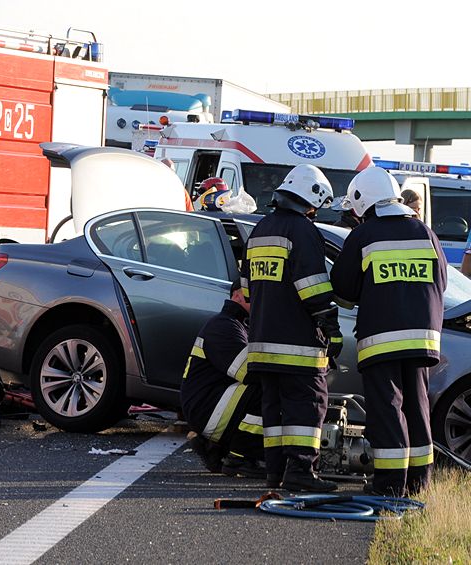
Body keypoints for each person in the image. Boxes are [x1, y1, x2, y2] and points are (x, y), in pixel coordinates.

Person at [331, 167, 448, 497]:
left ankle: (390, 487)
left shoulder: (364, 235)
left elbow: (342, 288)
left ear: (363, 202)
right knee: (417, 407)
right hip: (423, 340)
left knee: (387, 410)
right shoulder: (425, 232)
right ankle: (418, 484)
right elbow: (441, 281)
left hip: (381, 339)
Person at [241, 164, 341, 492]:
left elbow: (245, 290)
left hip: (261, 343)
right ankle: (301, 471)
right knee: (307, 405)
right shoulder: (303, 232)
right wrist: (330, 325)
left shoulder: (259, 231)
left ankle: (275, 473)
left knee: (273, 411)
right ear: (310, 201)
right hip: (298, 345)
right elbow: (311, 287)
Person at [180, 279, 264, 477]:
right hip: (207, 408)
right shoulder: (224, 326)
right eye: (254, 292)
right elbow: (248, 372)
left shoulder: (237, 324)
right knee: (266, 390)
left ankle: (216, 449)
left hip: (210, 404)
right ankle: (240, 457)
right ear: (236, 294)